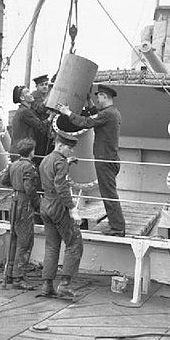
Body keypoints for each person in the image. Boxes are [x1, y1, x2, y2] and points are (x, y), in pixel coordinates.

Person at [57, 84, 125, 236]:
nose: (98, 98)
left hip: (104, 159)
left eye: (99, 96)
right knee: (108, 192)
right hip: (110, 158)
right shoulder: (112, 112)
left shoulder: (107, 114)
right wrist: (89, 102)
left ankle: (118, 227)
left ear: (105, 96)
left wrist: (67, 113)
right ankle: (116, 225)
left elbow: (86, 122)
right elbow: (96, 115)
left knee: (109, 194)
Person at [39, 133, 84, 298]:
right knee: (74, 243)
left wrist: (67, 163)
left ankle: (47, 285)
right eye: (69, 148)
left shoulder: (46, 159)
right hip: (58, 206)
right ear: (59, 146)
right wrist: (72, 209)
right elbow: (61, 187)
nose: (71, 151)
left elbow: (49, 176)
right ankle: (65, 285)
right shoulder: (60, 162)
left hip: (45, 204)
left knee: (51, 246)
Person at [1, 138, 41, 290]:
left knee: (14, 239)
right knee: (25, 242)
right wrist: (37, 205)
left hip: (14, 202)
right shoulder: (29, 167)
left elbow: (4, 181)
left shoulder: (13, 165)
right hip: (24, 205)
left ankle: (9, 274)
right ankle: (18, 278)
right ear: (32, 152)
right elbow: (29, 188)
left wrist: (15, 184)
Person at [10, 85, 50, 162]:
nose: (31, 93)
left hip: (18, 151)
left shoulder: (22, 111)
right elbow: (40, 126)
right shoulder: (25, 111)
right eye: (27, 92)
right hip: (22, 152)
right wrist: (50, 118)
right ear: (22, 98)